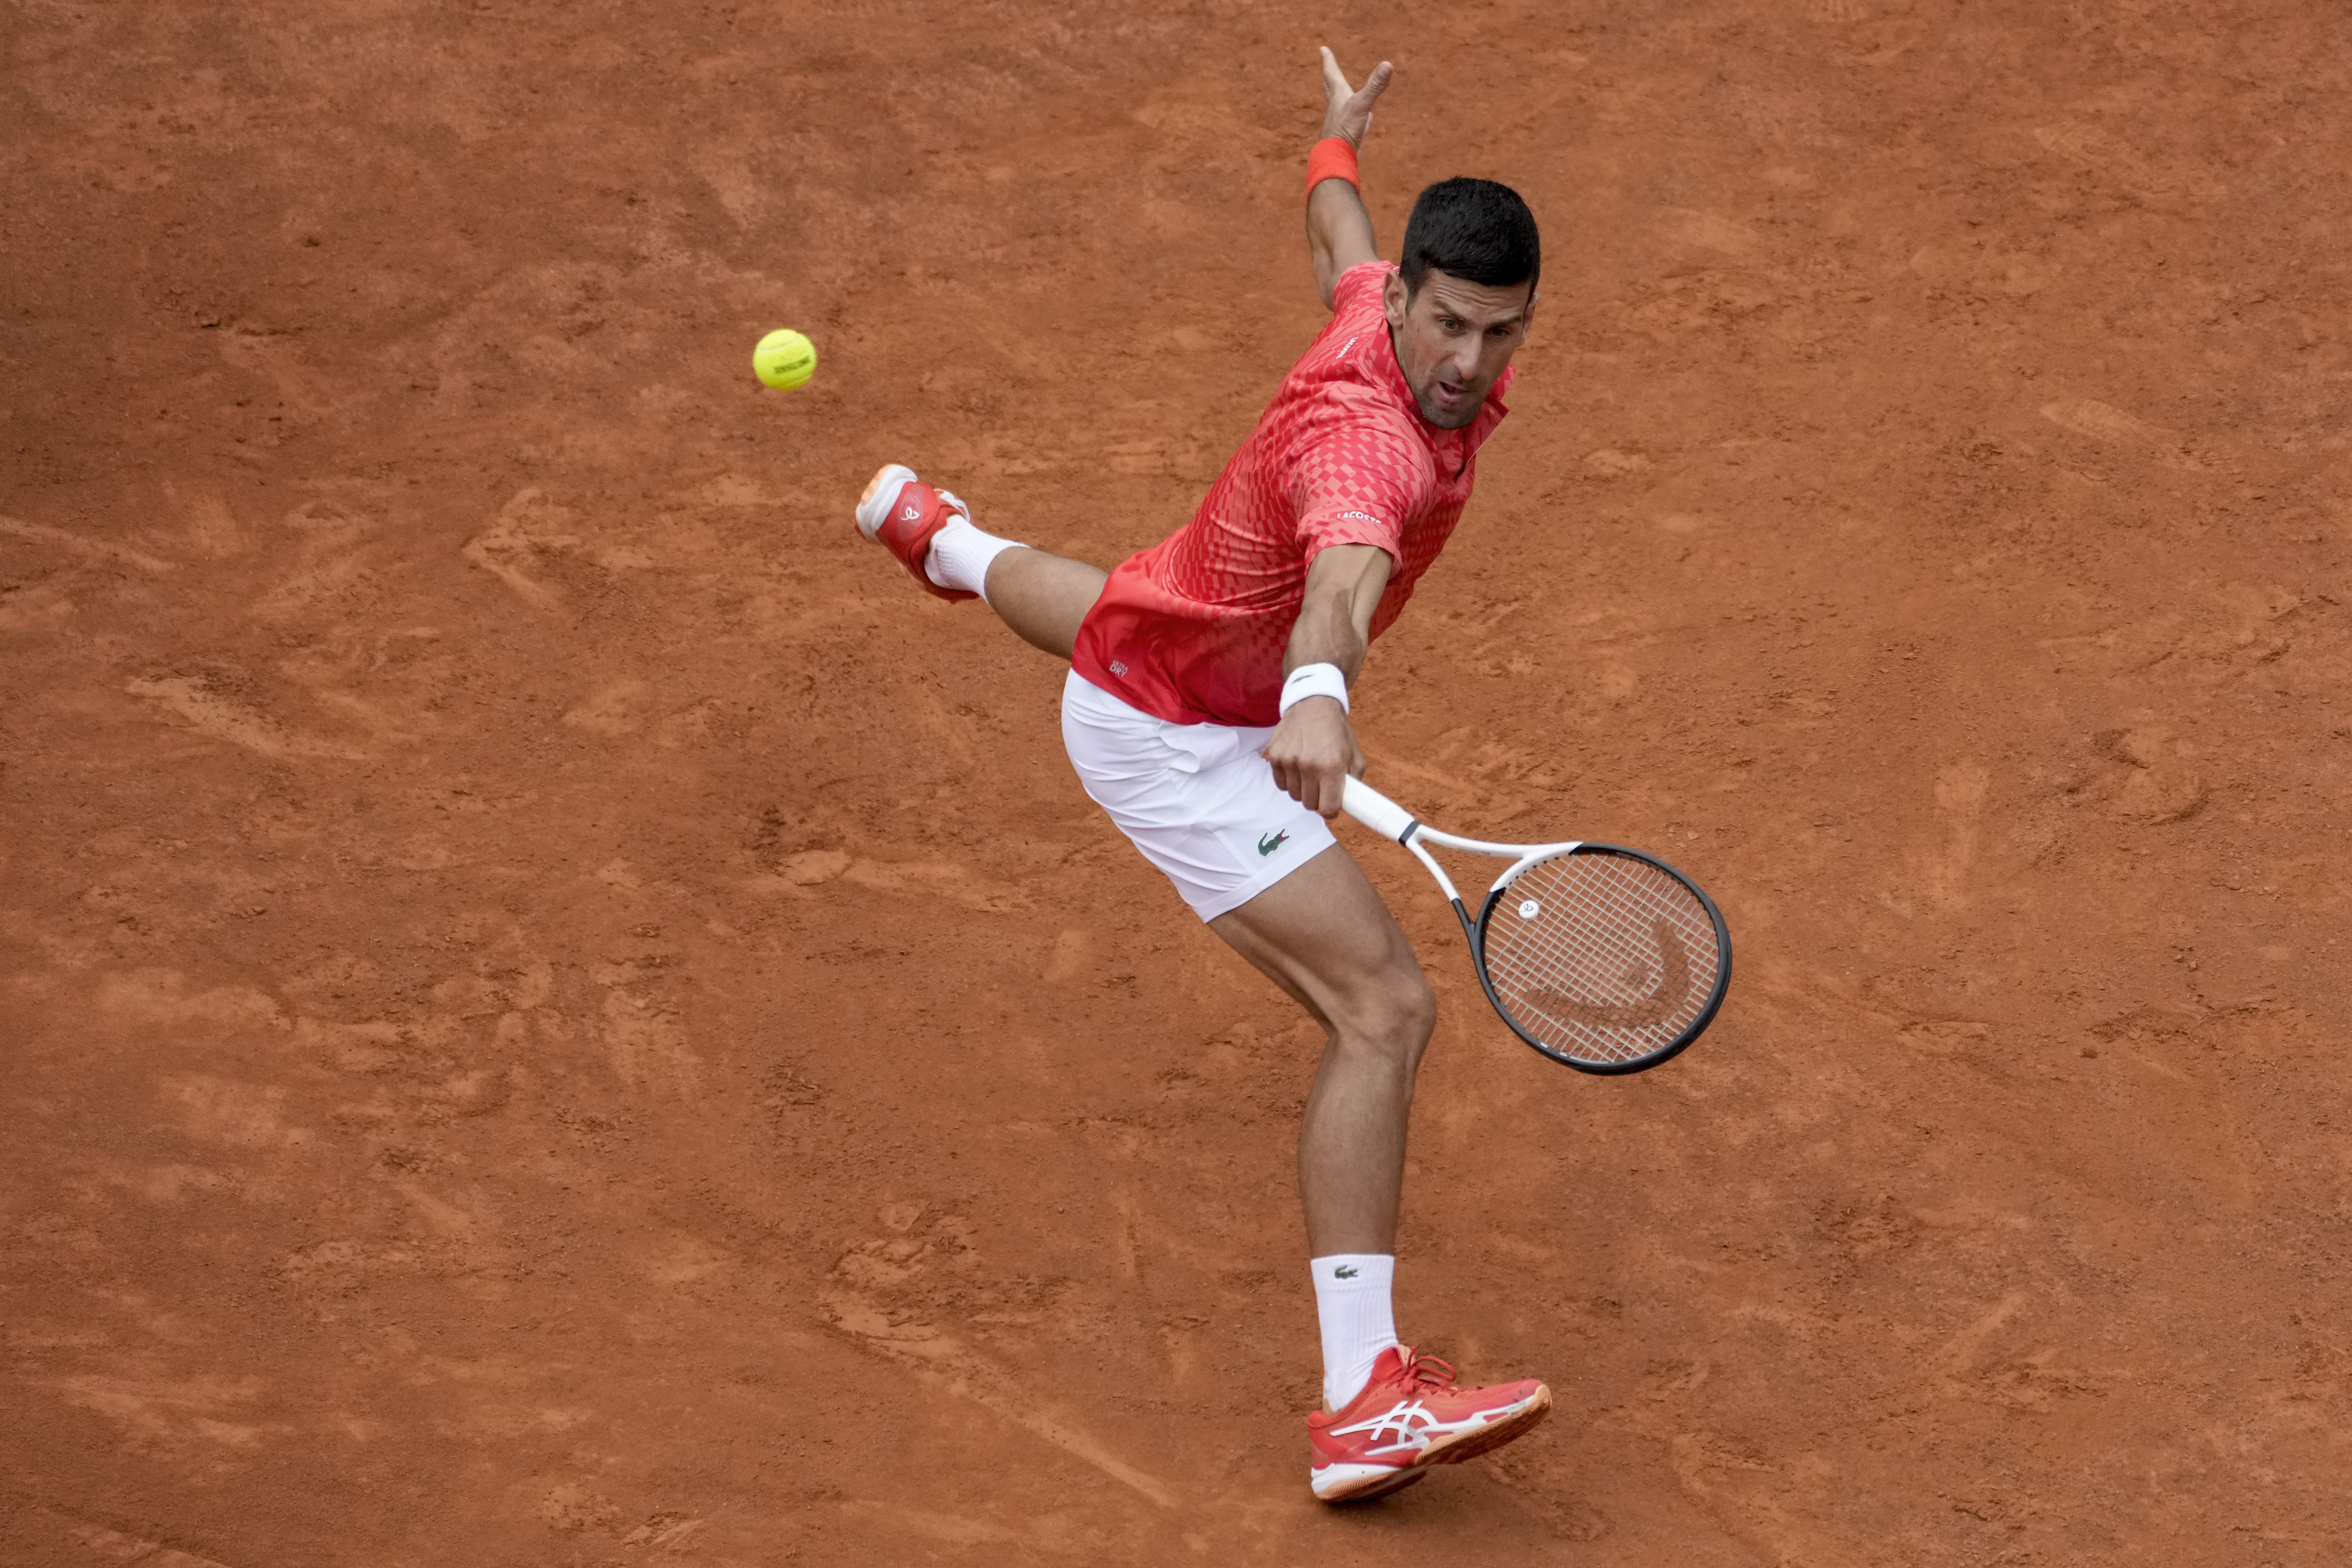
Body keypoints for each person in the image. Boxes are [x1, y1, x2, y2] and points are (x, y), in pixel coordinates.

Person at [851, 48, 1548, 1503]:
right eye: (1450, 326)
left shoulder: (1382, 305)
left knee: (1121, 604)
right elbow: (1344, 580)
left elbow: (1335, 243)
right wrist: (1313, 688)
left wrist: (1332, 146)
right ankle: (1362, 1399)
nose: (1468, 364)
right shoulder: (1378, 448)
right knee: (1384, 1007)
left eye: (1500, 332)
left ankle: (944, 541)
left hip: (1175, 629)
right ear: (1415, 302)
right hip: (1182, 732)